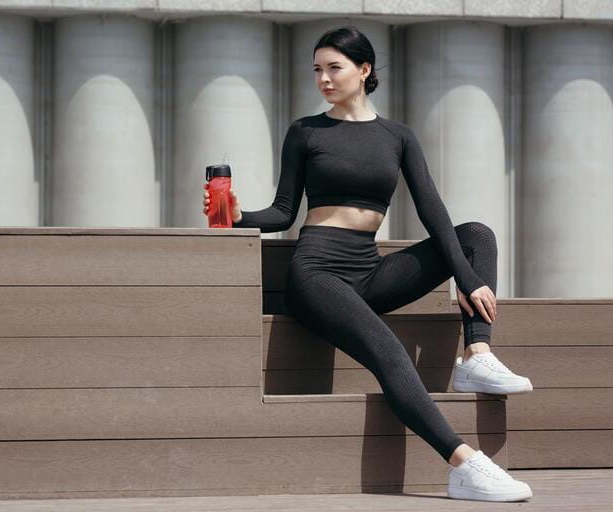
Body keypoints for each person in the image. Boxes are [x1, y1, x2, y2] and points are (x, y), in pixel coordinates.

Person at [201, 26, 534, 502]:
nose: (323, 78)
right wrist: (236, 216)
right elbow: (282, 213)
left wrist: (466, 276)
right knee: (390, 352)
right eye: (317, 69)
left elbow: (432, 210)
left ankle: (477, 356)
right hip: (317, 274)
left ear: (364, 69)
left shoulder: (397, 136)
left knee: (476, 236)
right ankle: (464, 464)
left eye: (334, 67)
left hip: (369, 271)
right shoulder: (306, 131)